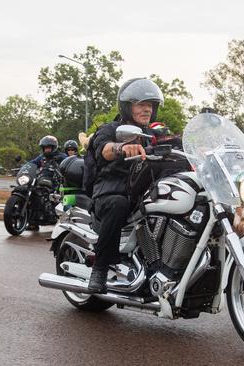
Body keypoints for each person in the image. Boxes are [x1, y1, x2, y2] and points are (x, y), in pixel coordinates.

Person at [85, 77, 164, 293]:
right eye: (141, 104)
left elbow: (176, 143)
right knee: (119, 203)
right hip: (110, 193)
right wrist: (121, 148)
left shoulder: (152, 136)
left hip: (141, 196)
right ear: (127, 106)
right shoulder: (109, 129)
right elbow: (105, 149)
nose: (147, 110)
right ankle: (100, 269)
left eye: (150, 105)